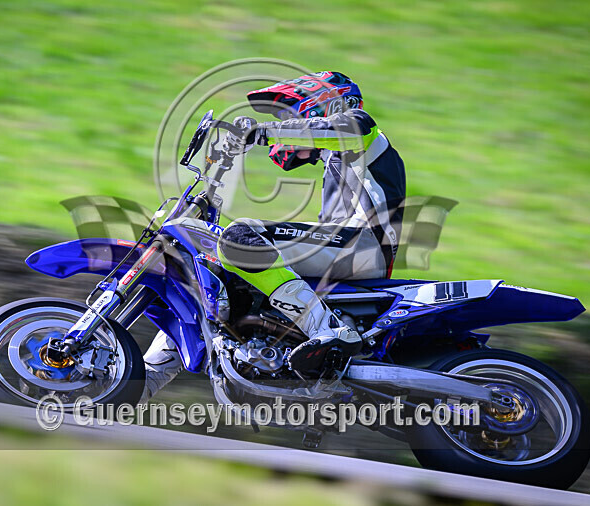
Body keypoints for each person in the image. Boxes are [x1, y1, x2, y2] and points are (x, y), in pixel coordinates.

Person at [141, 71, 406, 402]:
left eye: (289, 114)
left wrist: (260, 131)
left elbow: (343, 130)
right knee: (211, 281)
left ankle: (327, 331)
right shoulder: (338, 163)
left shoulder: (360, 129)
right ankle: (140, 382)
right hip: (345, 249)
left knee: (240, 236)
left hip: (362, 244)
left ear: (324, 104)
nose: (285, 122)